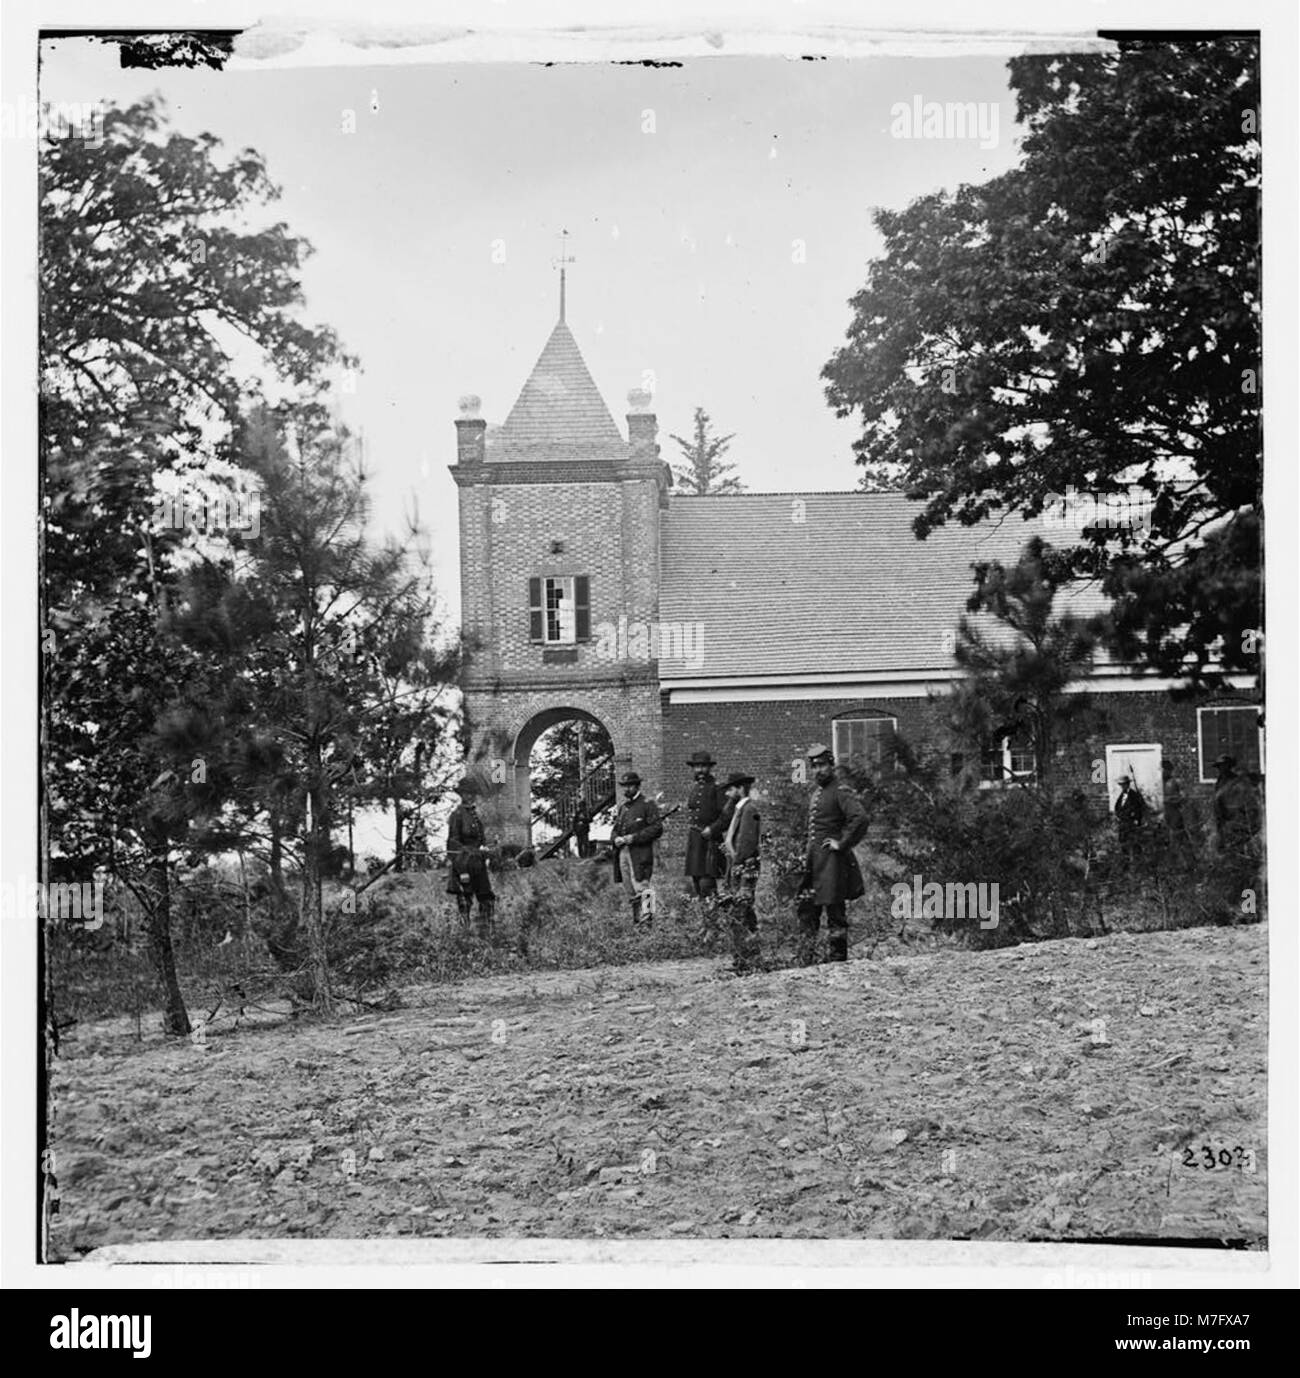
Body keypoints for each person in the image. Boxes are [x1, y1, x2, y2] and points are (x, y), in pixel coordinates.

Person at [796, 744, 869, 964]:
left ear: (831, 765)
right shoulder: (817, 793)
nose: (818, 770)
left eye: (822, 765)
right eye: (814, 766)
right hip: (813, 862)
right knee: (807, 908)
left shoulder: (839, 791)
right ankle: (806, 958)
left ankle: (838, 960)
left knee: (835, 911)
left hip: (832, 863)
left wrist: (842, 843)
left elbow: (860, 818)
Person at [1212, 753, 1262, 916]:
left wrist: (1245, 833)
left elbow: (1251, 811)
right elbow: (1219, 813)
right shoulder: (1220, 784)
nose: (1221, 770)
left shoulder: (1240, 785)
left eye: (1224, 766)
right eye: (1219, 767)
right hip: (1226, 833)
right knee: (1231, 873)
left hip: (1240, 834)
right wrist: (1220, 834)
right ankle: (1233, 909)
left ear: (1230, 766)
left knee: (1247, 872)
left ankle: (1250, 910)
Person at [684, 750, 730, 925]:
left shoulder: (717, 789)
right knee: (697, 884)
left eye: (703, 766)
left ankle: (713, 925)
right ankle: (707, 923)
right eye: (697, 767)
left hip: (710, 842)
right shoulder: (695, 789)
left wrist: (713, 829)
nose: (700, 770)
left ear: (709, 768)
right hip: (695, 842)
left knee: (707, 885)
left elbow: (726, 816)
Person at [611, 771, 663, 926]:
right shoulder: (623, 808)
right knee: (629, 889)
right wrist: (616, 839)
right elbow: (615, 829)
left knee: (643, 887)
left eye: (630, 786)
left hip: (640, 853)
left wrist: (634, 837)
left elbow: (657, 828)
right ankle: (636, 921)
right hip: (624, 853)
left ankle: (648, 921)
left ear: (637, 786)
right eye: (625, 786)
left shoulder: (647, 804)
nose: (627, 789)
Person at [444, 777, 495, 935]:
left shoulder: (475, 815)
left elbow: (481, 840)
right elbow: (453, 845)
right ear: (462, 795)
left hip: (478, 864)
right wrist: (462, 871)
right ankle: (463, 935)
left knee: (486, 898)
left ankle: (485, 932)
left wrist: (485, 850)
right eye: (467, 793)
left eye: (473, 793)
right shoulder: (457, 815)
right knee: (465, 901)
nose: (471, 796)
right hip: (464, 864)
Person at [721, 771, 761, 938]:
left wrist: (737, 860)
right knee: (741, 909)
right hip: (738, 864)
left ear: (740, 789)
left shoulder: (749, 809)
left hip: (745, 867)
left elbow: (747, 842)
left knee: (741, 909)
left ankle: (747, 953)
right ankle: (748, 949)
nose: (727, 794)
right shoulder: (740, 809)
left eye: (730, 790)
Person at [1113, 774, 1147, 862]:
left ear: (1127, 784)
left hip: (1131, 824)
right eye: (1121, 785)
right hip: (1122, 824)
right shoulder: (1122, 796)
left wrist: (1136, 819)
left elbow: (1139, 809)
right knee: (1123, 843)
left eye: (1123, 784)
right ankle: (1126, 862)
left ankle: (1137, 863)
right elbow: (1117, 807)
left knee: (1134, 844)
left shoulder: (1134, 795)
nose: (1122, 786)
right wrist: (1118, 816)